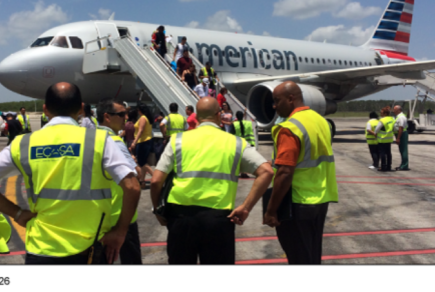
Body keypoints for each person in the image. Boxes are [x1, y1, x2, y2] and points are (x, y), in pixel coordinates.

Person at [0, 82, 140, 264]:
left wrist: (18, 214)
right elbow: (132, 186)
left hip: (42, 249)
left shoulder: (24, 143)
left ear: (45, 110)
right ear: (81, 109)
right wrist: (120, 232)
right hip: (89, 248)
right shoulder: (98, 140)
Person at [150, 97, 274, 264]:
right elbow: (266, 171)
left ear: (197, 116)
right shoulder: (235, 143)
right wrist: (246, 207)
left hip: (181, 218)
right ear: (218, 115)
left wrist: (158, 209)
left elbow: (156, 181)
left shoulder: (177, 140)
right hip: (218, 219)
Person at [264, 81, 338, 264]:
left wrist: (271, 210)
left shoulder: (290, 128)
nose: (274, 105)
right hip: (321, 199)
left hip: (297, 203)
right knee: (312, 255)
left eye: (277, 100)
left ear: (290, 99)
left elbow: (285, 172)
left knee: (299, 259)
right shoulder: (321, 121)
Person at [96, 98, 143, 264]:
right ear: (107, 117)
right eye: (122, 114)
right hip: (120, 215)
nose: (126, 118)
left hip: (97, 217)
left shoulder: (90, 139)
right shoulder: (114, 141)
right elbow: (136, 177)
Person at [130, 104, 154, 189]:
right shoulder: (146, 117)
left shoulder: (143, 118)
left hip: (143, 141)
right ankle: (142, 181)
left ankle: (154, 177)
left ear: (140, 110)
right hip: (146, 140)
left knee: (141, 162)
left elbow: (140, 130)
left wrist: (134, 142)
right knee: (142, 161)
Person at [374, 106, 395, 172]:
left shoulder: (382, 120)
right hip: (389, 138)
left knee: (382, 153)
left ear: (385, 113)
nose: (380, 114)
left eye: (381, 113)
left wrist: (375, 133)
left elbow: (376, 129)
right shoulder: (392, 119)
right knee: (388, 153)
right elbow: (394, 128)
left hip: (382, 139)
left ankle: (383, 167)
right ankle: (389, 166)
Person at [393, 105, 410, 171]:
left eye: (394, 110)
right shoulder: (399, 116)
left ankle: (404, 165)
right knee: (401, 150)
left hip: (402, 134)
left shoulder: (401, 117)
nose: (393, 111)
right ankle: (403, 164)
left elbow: (401, 128)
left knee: (403, 150)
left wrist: (398, 138)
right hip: (400, 134)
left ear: (398, 110)